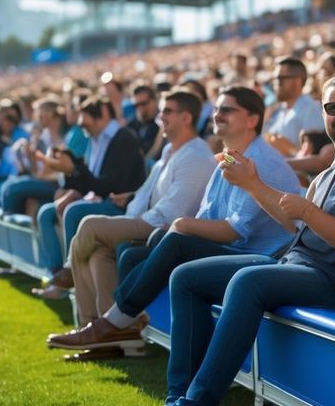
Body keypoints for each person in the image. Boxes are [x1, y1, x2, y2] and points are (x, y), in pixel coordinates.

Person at [123, 76, 335, 406]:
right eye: (334, 108)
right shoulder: (333, 169)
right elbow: (294, 224)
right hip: (300, 266)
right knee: (186, 277)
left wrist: (308, 210)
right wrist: (252, 184)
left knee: (248, 281)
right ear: (323, 114)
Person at [46, 86, 300, 352]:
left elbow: (235, 230)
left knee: (169, 240)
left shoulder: (259, 161)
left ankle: (113, 322)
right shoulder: (229, 155)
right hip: (236, 248)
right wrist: (181, 225)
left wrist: (183, 225)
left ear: (252, 119)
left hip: (261, 256)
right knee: (132, 254)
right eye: (216, 109)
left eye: (227, 110)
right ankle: (118, 332)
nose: (217, 115)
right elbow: (208, 213)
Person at [59, 89, 217, 331]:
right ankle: (111, 330)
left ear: (186, 118)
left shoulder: (195, 155)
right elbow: (153, 192)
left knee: (89, 225)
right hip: (149, 219)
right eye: (161, 110)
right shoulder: (171, 150)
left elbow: (172, 213)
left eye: (167, 111)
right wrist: (132, 198)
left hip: (161, 226)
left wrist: (133, 217)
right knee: (99, 253)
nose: (160, 116)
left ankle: (83, 305)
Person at [33, 95, 146, 295]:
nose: (81, 126)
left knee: (73, 211)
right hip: (100, 198)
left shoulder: (123, 139)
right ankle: (56, 275)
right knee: (46, 212)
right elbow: (89, 181)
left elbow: (111, 186)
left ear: (102, 115)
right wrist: (70, 171)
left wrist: (75, 169)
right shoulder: (96, 137)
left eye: (85, 122)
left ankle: (71, 274)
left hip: (122, 205)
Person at [262, 57, 323, 156]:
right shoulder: (278, 109)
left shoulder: (311, 108)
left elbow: (314, 156)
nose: (275, 84)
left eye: (280, 79)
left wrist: (287, 147)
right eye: (274, 79)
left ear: (297, 81)